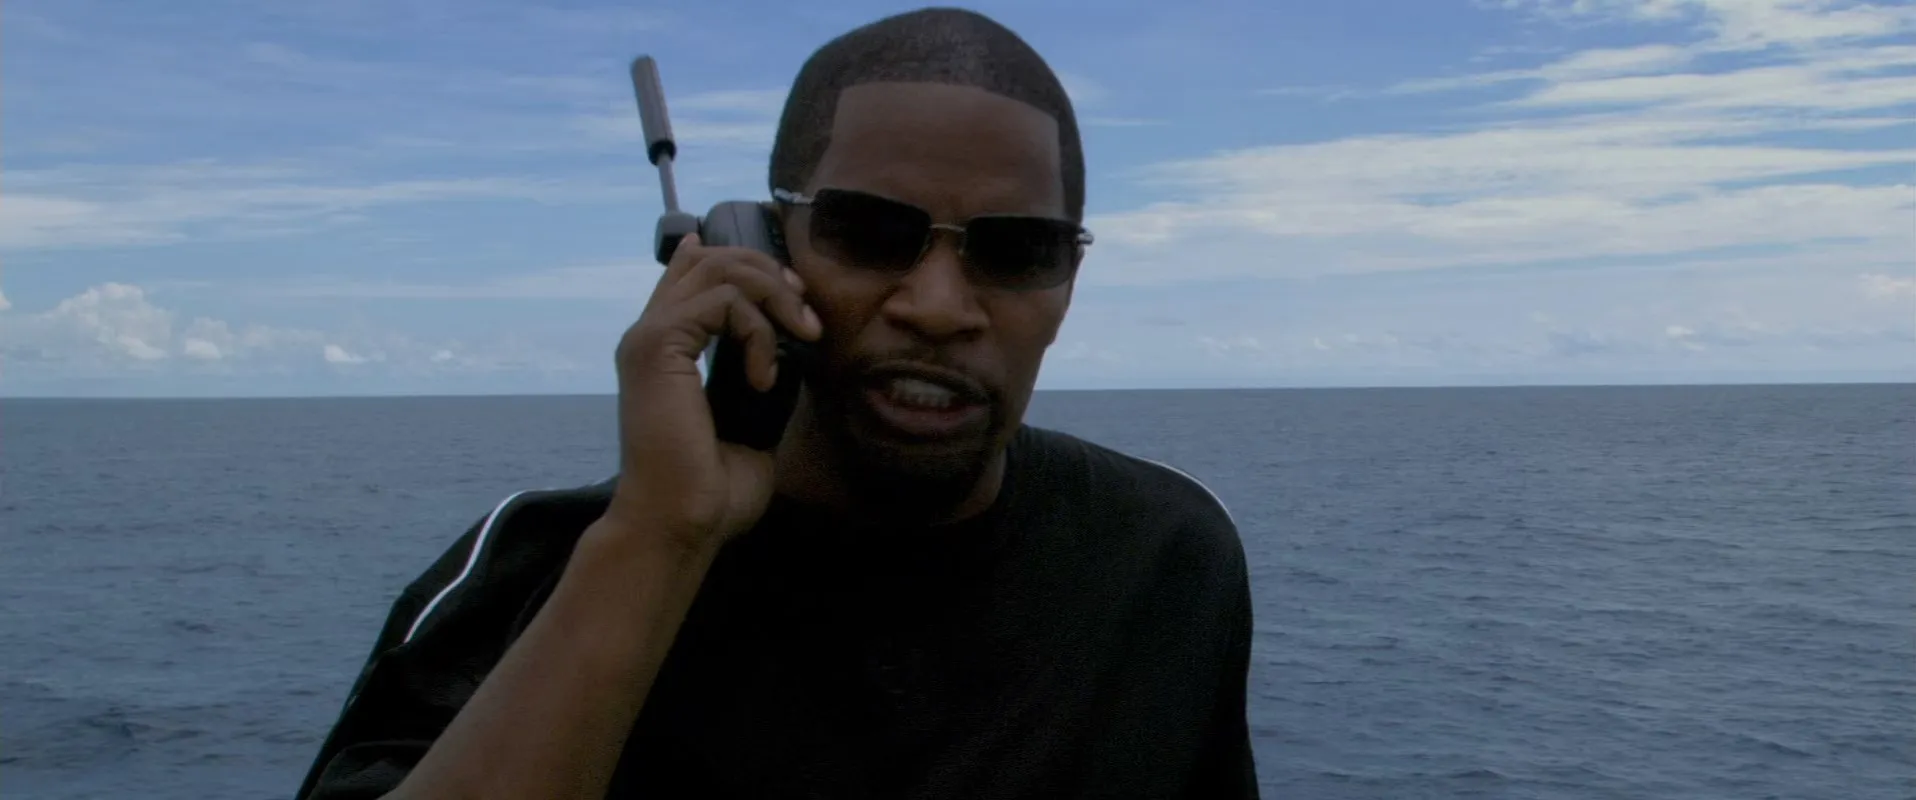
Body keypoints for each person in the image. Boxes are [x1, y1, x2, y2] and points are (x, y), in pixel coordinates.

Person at [297, 7, 1258, 799]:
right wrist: (659, 543)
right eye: (869, 231)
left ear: (1068, 284)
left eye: (1018, 250)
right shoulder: (537, 574)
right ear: (756, 246)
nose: (938, 307)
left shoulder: (1164, 559)